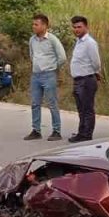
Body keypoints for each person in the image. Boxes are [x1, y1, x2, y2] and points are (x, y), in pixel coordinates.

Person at [25, 13, 66, 141]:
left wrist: (52, 67)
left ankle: (56, 131)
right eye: (33, 24)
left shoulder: (52, 39)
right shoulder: (32, 40)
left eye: (36, 24)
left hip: (49, 74)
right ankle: (36, 130)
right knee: (35, 103)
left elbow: (62, 57)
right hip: (36, 75)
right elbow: (32, 55)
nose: (34, 27)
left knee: (52, 103)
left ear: (44, 25)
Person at [68, 15, 102, 142]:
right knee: (81, 109)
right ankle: (81, 133)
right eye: (75, 27)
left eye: (79, 27)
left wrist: (95, 73)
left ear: (86, 27)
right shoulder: (79, 41)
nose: (76, 29)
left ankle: (86, 135)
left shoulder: (90, 43)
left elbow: (96, 62)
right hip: (78, 80)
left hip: (86, 80)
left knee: (87, 109)